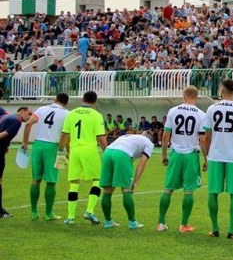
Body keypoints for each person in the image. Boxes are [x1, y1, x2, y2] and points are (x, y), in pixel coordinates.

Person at [202, 79, 233, 239]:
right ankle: (231, 230)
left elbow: (207, 135)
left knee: (213, 192)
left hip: (215, 155)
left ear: (221, 89)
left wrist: (207, 156)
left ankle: (215, 229)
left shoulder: (211, 109)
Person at [158, 85, 206, 232]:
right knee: (189, 191)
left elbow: (165, 136)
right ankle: (184, 224)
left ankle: (161, 223)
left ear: (183, 96)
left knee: (168, 189)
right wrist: (206, 159)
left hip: (176, 153)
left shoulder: (173, 111)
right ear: (196, 98)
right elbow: (203, 140)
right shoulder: (201, 114)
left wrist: (164, 154)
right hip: (191, 154)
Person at [59, 91, 108, 225]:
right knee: (98, 179)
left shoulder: (72, 113)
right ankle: (89, 211)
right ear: (95, 101)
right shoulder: (96, 115)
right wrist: (107, 152)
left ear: (83, 99)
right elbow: (101, 137)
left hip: (74, 150)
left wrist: (60, 151)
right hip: (89, 149)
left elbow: (64, 135)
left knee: (74, 183)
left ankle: (70, 217)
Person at [21, 93, 70, 221]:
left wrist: (25, 142)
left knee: (35, 180)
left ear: (55, 99)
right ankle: (48, 214)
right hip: (52, 147)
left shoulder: (42, 109)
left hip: (38, 145)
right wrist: (67, 150)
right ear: (66, 103)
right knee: (51, 181)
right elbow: (66, 135)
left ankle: (33, 212)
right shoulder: (67, 114)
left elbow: (27, 124)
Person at [100, 131, 157, 229]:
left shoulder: (130, 136)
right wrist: (135, 182)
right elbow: (142, 164)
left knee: (107, 190)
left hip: (107, 152)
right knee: (126, 189)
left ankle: (108, 221)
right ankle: (132, 222)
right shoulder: (149, 143)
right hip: (122, 154)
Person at [0, 107, 34, 217]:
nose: (30, 116)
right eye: (29, 113)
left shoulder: (6, 115)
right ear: (22, 111)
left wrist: (6, 145)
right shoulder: (17, 121)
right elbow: (4, 134)